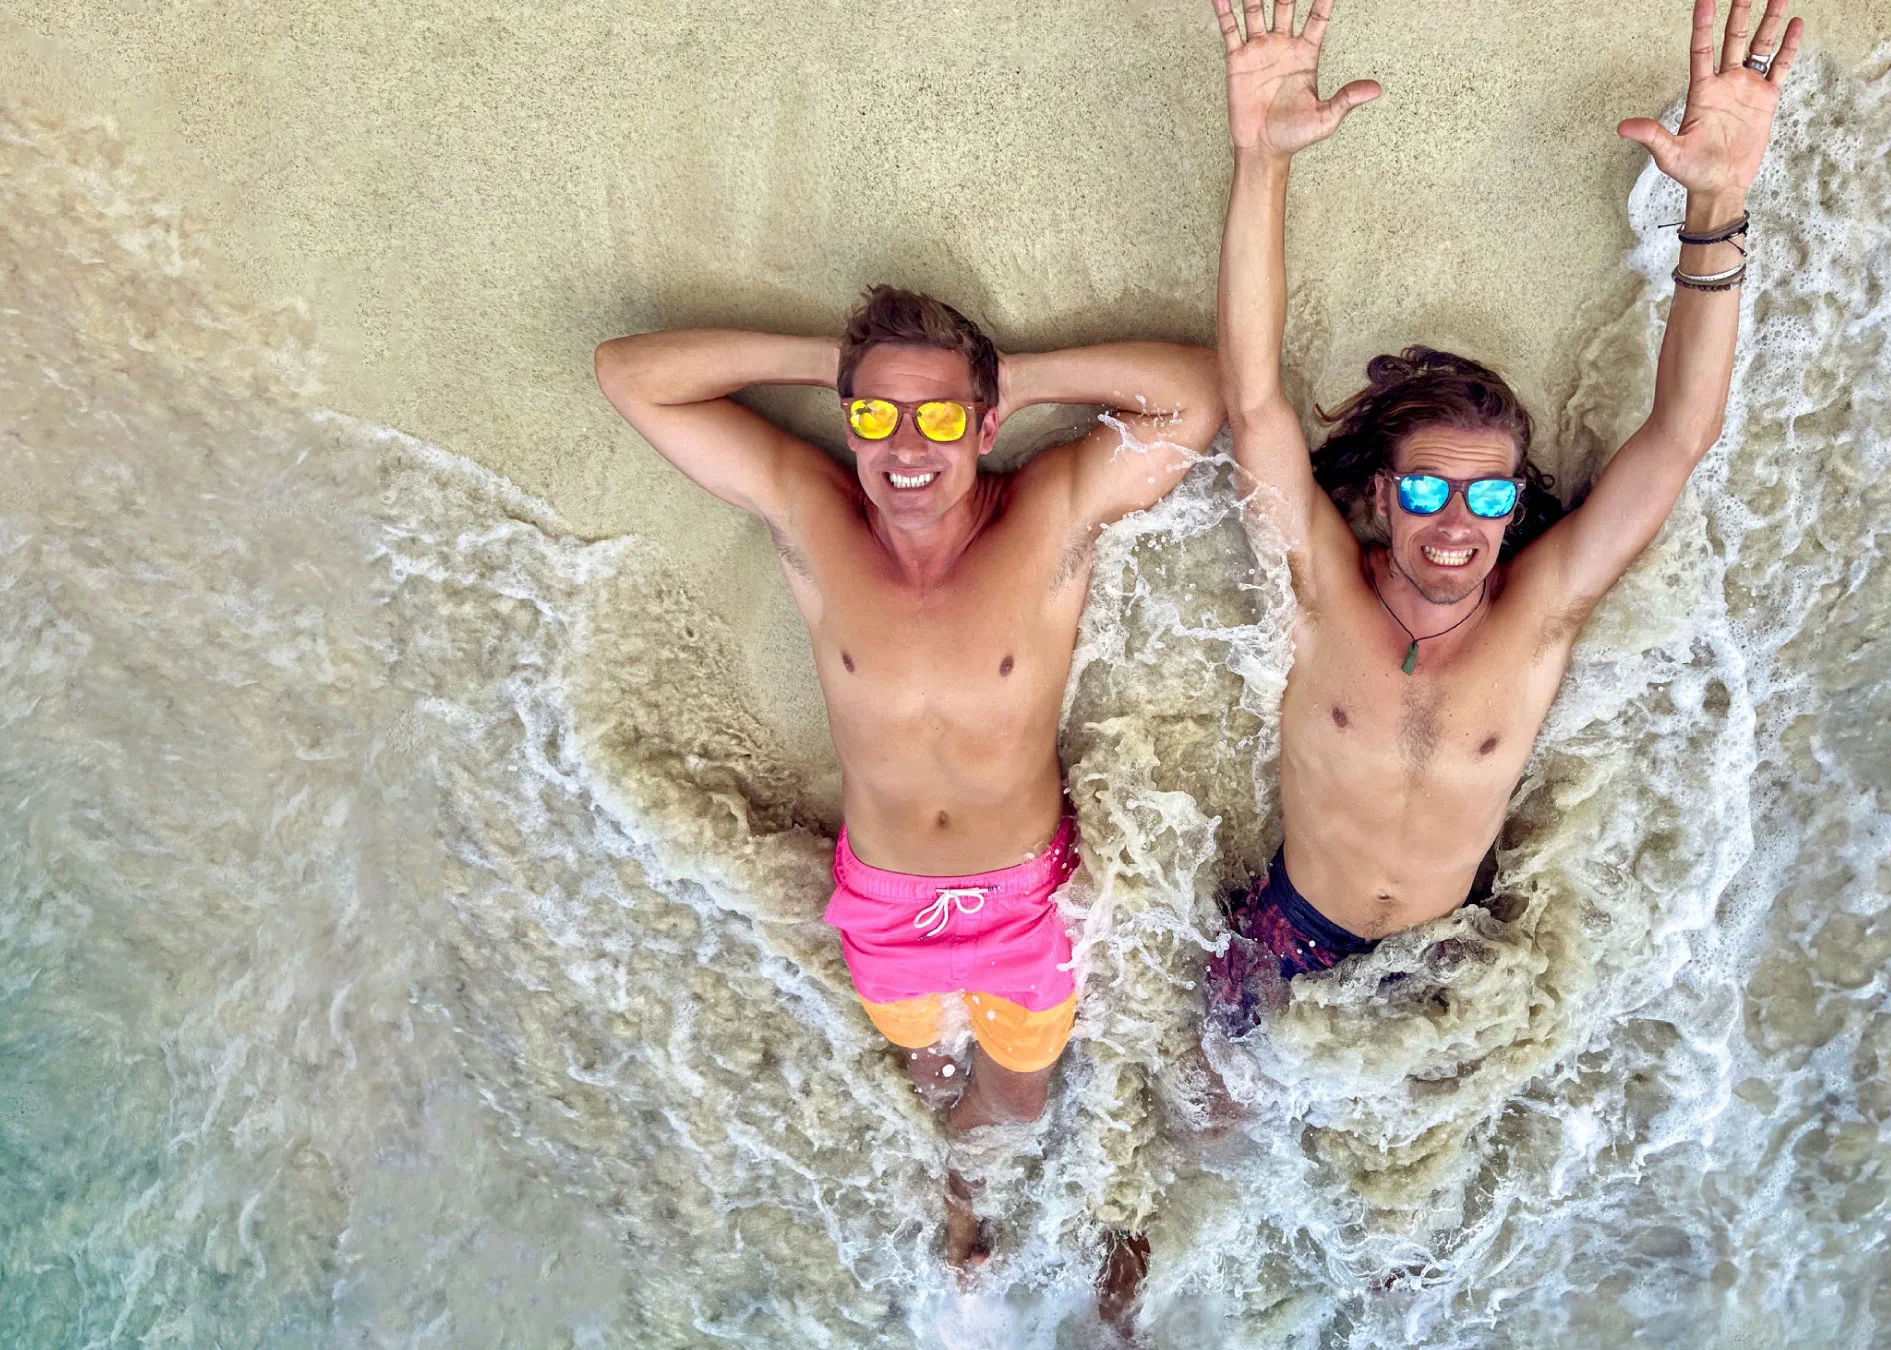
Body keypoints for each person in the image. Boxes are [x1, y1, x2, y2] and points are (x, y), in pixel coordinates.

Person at [594, 289, 1222, 1270]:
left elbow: (1197, 396)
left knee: (1017, 1098)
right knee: (931, 1073)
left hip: (1023, 901)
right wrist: (834, 364)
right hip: (885, 905)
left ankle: (987, 1196)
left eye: (937, 417)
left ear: (980, 426)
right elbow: (629, 376)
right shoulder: (814, 514)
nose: (905, 447)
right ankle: (959, 1192)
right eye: (876, 418)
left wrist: (1009, 381)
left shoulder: (1047, 515)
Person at [1204, 0, 1800, 1029]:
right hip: (1294, 931)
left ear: (1513, 504)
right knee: (1214, 1132)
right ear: (1383, 496)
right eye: (1428, 490)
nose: (1454, 524)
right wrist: (1264, 159)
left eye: (1485, 497)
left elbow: (1677, 437)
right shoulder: (1321, 591)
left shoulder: (1540, 615)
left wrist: (1719, 203)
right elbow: (1253, 397)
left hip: (1447, 957)